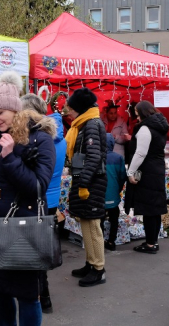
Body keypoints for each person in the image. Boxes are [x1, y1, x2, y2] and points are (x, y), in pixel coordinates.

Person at [0, 71, 56, 326]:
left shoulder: (40, 138)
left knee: (27, 295)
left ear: (15, 109)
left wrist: (11, 157)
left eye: (0, 112)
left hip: (22, 228)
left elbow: (38, 187)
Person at [21, 93, 66, 313]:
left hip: (35, 198)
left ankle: (41, 296)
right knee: (41, 247)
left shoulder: (35, 139)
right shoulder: (60, 139)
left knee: (32, 250)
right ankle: (43, 296)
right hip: (52, 199)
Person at [64, 88, 108, 287]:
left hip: (92, 182)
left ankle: (99, 269)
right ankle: (91, 263)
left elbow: (93, 157)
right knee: (86, 224)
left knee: (93, 227)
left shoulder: (91, 124)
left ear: (80, 108)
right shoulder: (84, 124)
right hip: (88, 180)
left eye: (71, 108)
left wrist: (83, 183)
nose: (68, 112)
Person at [125, 100, 169, 255]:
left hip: (147, 170)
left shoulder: (145, 128)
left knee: (149, 209)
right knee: (155, 209)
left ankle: (150, 244)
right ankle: (153, 241)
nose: (136, 117)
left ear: (143, 113)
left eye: (137, 114)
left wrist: (130, 172)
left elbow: (140, 153)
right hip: (157, 168)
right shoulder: (160, 126)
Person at [102, 133, 127, 251]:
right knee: (114, 218)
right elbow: (123, 176)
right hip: (113, 194)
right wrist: (118, 188)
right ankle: (112, 241)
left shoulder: (97, 157)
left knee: (99, 219)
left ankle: (99, 240)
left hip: (100, 195)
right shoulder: (118, 158)